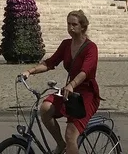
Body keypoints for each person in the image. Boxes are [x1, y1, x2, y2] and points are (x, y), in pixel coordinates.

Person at [22, 10, 100, 154]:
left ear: (83, 27)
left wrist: (71, 84)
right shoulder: (66, 44)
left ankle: (68, 144)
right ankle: (60, 144)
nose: (70, 27)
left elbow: (85, 71)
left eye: (74, 24)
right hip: (68, 91)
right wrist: (29, 71)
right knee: (45, 108)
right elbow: (50, 63)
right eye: (68, 24)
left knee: (71, 134)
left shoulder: (91, 47)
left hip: (86, 93)